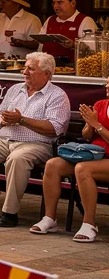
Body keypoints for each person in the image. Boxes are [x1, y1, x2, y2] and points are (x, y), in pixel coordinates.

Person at [0, 52, 71, 227]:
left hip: (36, 143)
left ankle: (9, 212)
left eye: (30, 69)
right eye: (25, 68)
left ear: (47, 74)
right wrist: (3, 121)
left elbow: (56, 128)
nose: (24, 72)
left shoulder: (57, 95)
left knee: (18, 159)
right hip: (4, 140)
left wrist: (22, 120)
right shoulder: (15, 89)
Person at [32, 78, 109, 242]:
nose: (107, 86)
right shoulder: (101, 104)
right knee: (53, 165)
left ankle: (89, 223)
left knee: (82, 169)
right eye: (107, 83)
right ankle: (50, 218)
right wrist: (89, 124)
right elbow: (87, 137)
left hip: (104, 158)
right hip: (93, 154)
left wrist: (97, 125)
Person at [38, 0, 97, 64]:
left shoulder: (85, 21)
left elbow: (93, 50)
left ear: (73, 3)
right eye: (53, 3)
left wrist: (73, 45)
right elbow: (40, 47)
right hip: (47, 69)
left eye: (59, 2)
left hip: (73, 70)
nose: (55, 6)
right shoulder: (50, 20)